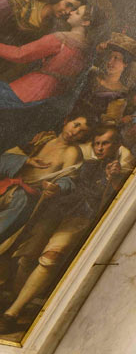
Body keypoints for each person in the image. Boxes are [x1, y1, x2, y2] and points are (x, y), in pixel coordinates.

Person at [0, 125, 129, 333]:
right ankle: (16, 301)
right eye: (97, 143)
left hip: (80, 218)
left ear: (117, 145)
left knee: (50, 258)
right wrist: (56, 188)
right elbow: (69, 183)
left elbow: (116, 204)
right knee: (26, 255)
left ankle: (12, 313)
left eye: (105, 143)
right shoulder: (86, 164)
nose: (100, 148)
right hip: (57, 213)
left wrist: (113, 179)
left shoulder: (124, 171)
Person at [0, 0, 99, 144]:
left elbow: (19, 54)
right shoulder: (87, 49)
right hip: (52, 97)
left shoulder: (61, 39)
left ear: (85, 22)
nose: (71, 12)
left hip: (29, 92)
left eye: (77, 12)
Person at [0, 115, 91, 253]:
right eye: (76, 125)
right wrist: (26, 161)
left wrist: (57, 187)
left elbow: (68, 179)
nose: (75, 132)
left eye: (82, 131)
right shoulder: (43, 139)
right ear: (66, 121)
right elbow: (4, 159)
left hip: (25, 198)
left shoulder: (72, 152)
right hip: (7, 185)